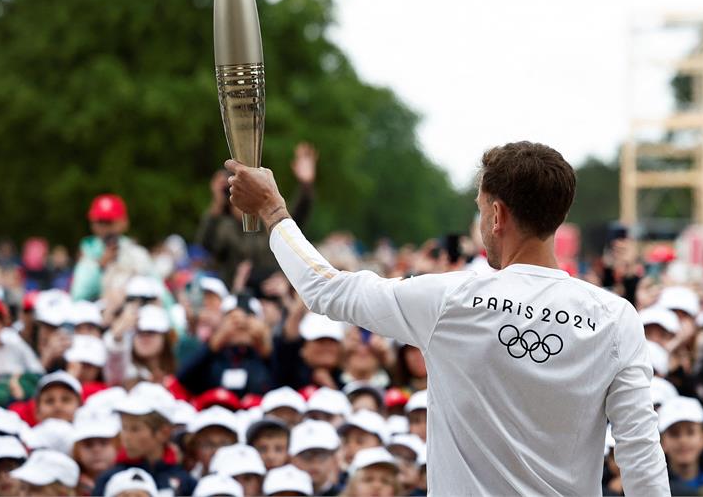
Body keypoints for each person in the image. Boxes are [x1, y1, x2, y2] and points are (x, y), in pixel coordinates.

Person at [225, 141, 670, 495]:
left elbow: (325, 289)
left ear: (497, 215)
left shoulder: (452, 299)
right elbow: (641, 459)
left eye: (480, 209)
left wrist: (274, 212)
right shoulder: (616, 317)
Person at [196, 143, 317, 288]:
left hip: (271, 298)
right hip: (235, 297)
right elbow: (206, 245)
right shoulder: (224, 227)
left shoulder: (269, 223)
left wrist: (306, 185)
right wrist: (217, 202)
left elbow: (294, 220)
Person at [70, 194, 153, 302]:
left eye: (108, 222)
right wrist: (100, 266)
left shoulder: (136, 252)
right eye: (100, 222)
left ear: (123, 222)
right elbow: (78, 295)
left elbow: (159, 291)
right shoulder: (88, 252)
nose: (104, 228)